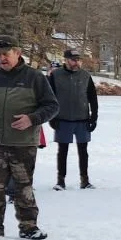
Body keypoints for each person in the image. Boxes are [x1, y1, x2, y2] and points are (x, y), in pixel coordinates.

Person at [0, 36, 58, 240]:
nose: (2, 58)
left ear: (17, 53)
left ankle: (28, 227)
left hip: (23, 143)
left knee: (22, 186)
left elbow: (52, 106)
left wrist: (32, 119)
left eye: (6, 54)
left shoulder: (35, 77)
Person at [47, 49, 98, 191]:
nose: (77, 62)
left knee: (83, 151)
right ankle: (60, 180)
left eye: (78, 59)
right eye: (73, 59)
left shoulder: (85, 76)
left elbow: (92, 97)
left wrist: (94, 117)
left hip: (82, 119)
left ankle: (85, 180)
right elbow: (49, 98)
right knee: (62, 151)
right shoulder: (55, 75)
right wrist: (52, 117)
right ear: (66, 60)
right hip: (62, 119)